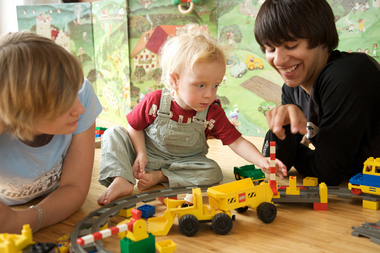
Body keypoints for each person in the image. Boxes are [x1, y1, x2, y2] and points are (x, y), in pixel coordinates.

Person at [97, 24, 286, 205]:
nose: (209, 94)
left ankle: (160, 176)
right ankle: (122, 178)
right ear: (174, 80)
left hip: (185, 164)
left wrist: (261, 160)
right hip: (147, 156)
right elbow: (134, 126)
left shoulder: (212, 111)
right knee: (113, 133)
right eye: (200, 85)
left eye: (215, 85)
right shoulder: (155, 101)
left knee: (213, 171)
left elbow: (236, 141)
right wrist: (140, 153)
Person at [254, 0, 380, 186]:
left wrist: (297, 154)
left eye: (291, 45)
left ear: (321, 39)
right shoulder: (292, 88)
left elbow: (329, 171)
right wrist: (282, 131)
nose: (278, 60)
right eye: (270, 48)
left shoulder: (347, 76)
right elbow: (277, 164)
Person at [0, 31, 102, 233]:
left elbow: (75, 188)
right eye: (64, 102)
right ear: (25, 110)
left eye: (74, 91)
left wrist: (22, 222)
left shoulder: (83, 93)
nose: (80, 109)